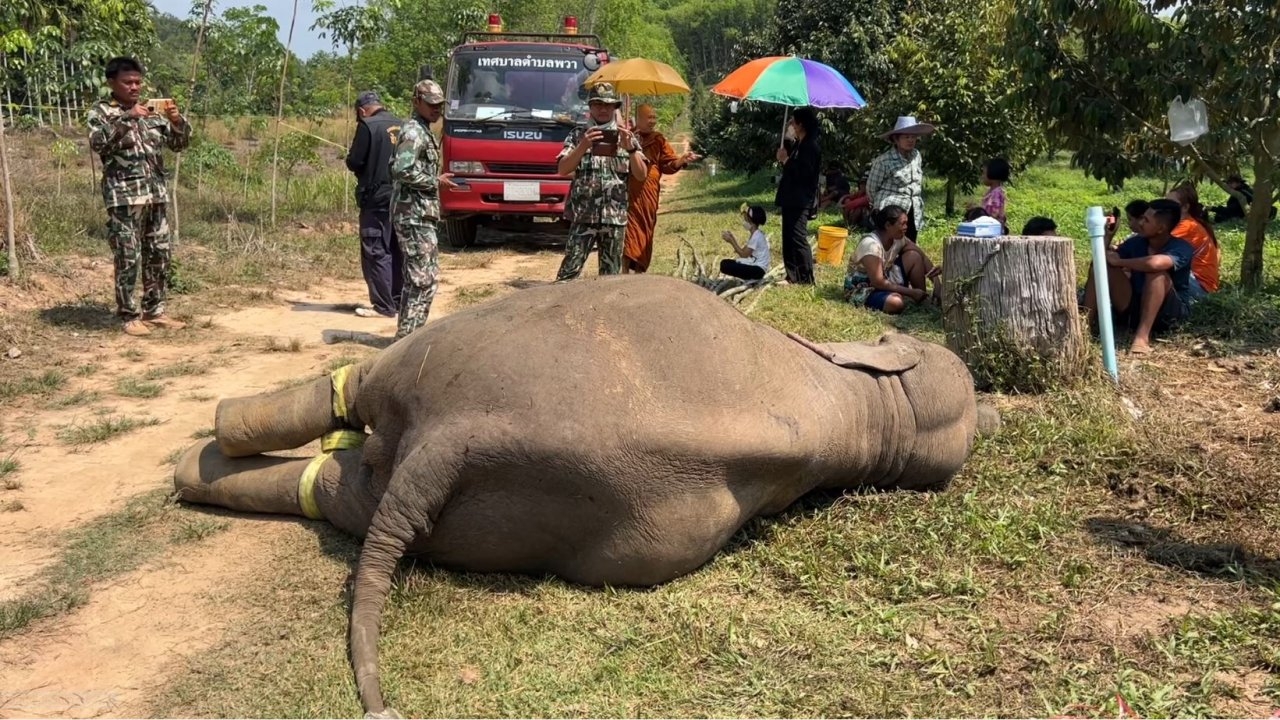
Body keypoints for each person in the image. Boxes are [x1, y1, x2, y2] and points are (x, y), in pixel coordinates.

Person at [86, 56, 191, 337]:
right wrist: (125, 119)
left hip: (155, 195)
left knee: (159, 254)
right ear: (111, 83)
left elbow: (179, 144)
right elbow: (98, 144)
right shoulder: (102, 112)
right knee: (127, 255)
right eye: (127, 82)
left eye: (137, 82)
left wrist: (177, 121)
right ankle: (128, 314)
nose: (134, 87)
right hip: (123, 197)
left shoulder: (152, 113)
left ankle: (155, 311)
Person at [1081, 199, 1202, 355]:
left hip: (1168, 315)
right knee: (1101, 265)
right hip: (1134, 307)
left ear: (1161, 228)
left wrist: (1121, 262)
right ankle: (1086, 325)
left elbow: (1155, 263)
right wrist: (1107, 238)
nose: (1140, 222)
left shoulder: (1181, 247)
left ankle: (1142, 338)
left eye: (1146, 220)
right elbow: (1102, 259)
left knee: (1157, 275)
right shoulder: (1136, 243)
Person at [555, 82, 647, 281]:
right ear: (590, 107)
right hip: (583, 216)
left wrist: (630, 150)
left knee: (610, 279)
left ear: (615, 107)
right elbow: (563, 169)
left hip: (614, 218)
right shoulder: (578, 135)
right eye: (597, 104)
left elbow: (641, 175)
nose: (603, 109)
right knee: (568, 273)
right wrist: (583, 146)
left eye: (607, 105)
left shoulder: (626, 137)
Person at [389, 79, 458, 340]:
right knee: (422, 281)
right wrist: (434, 181)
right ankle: (408, 341)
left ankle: (406, 337)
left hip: (420, 214)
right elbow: (401, 169)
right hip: (413, 216)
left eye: (439, 105)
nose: (436, 110)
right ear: (416, 101)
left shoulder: (421, 130)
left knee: (418, 280)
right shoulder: (414, 133)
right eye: (431, 105)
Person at [345, 91, 404, 319]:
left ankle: (383, 306)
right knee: (397, 249)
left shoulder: (367, 126)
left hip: (376, 199)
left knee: (376, 250)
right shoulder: (402, 125)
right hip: (401, 198)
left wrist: (350, 159)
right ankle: (398, 302)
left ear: (361, 111)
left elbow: (355, 161)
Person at [622, 103, 700, 274]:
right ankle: (623, 271)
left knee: (645, 231)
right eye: (649, 117)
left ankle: (640, 270)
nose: (653, 121)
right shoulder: (627, 138)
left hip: (649, 195)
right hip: (629, 194)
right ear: (639, 118)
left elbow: (668, 165)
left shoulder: (658, 140)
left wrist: (682, 160)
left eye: (654, 117)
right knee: (628, 232)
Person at [843, 205, 942, 314]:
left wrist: (937, 283)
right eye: (902, 224)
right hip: (863, 289)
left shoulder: (898, 239)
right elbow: (878, 282)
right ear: (888, 225)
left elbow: (921, 255)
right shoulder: (871, 245)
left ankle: (922, 299)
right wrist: (911, 292)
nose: (906, 227)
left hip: (886, 279)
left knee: (914, 256)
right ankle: (912, 295)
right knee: (896, 303)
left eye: (906, 223)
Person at [867, 115, 934, 242]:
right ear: (896, 140)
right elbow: (871, 189)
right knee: (889, 246)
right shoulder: (884, 161)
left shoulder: (916, 155)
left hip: (912, 210)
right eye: (906, 137)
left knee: (909, 244)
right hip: (891, 214)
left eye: (913, 137)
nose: (910, 140)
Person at [774, 107, 822, 284]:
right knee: (788, 236)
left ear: (801, 124)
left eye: (793, 122)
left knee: (798, 237)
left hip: (801, 199)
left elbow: (804, 174)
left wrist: (786, 161)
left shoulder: (811, 147)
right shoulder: (799, 144)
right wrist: (786, 146)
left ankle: (806, 277)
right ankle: (792, 275)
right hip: (791, 197)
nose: (791, 125)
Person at [1166, 181, 1220, 295]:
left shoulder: (1187, 226)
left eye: (1171, 204)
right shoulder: (1189, 223)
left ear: (1185, 207)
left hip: (1200, 287)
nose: (1165, 207)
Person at [718, 204, 772, 280]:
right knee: (726, 263)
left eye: (746, 220)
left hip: (758, 270)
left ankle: (749, 278)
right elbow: (743, 251)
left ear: (752, 223)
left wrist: (731, 241)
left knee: (724, 265)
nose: (744, 222)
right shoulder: (756, 234)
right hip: (755, 266)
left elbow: (743, 255)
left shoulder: (756, 236)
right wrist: (732, 238)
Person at [969, 158, 1009, 232]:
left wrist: (979, 213)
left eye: (983, 173)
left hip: (992, 229)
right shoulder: (990, 192)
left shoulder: (997, 193)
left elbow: (994, 214)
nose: (982, 176)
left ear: (993, 173)